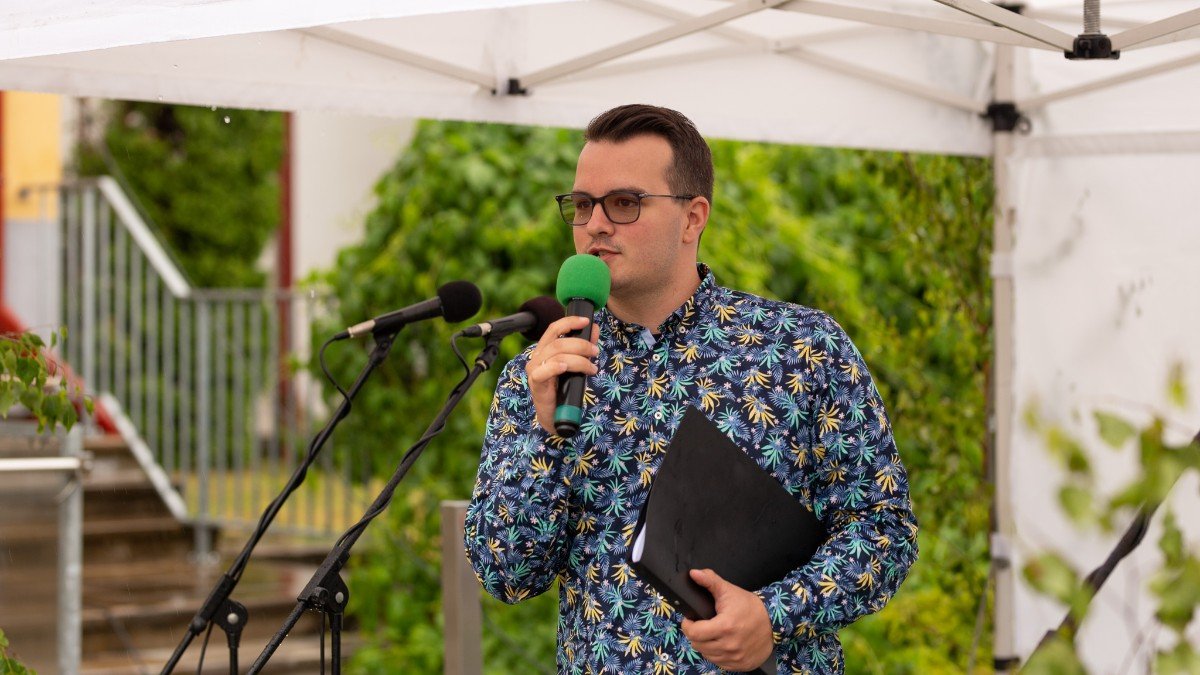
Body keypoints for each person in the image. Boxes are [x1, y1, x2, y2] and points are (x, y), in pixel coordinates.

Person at [465, 104, 918, 674]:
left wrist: (773, 615)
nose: (595, 224)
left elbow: (884, 529)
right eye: (581, 205)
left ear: (692, 218)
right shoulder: (539, 374)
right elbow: (506, 575)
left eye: (623, 203)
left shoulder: (801, 348)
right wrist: (544, 437)